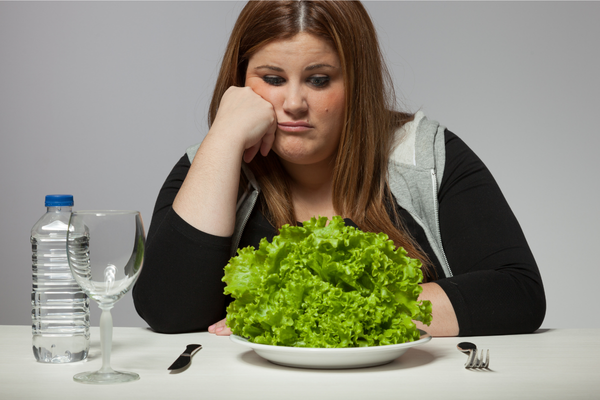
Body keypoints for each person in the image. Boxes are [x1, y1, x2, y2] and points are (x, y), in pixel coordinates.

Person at [132, 0, 545, 337]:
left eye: (318, 80)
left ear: (356, 84)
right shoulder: (207, 162)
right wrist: (222, 137)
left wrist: (307, 314)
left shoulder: (423, 153)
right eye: (272, 79)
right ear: (240, 83)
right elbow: (169, 310)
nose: (293, 103)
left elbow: (517, 293)